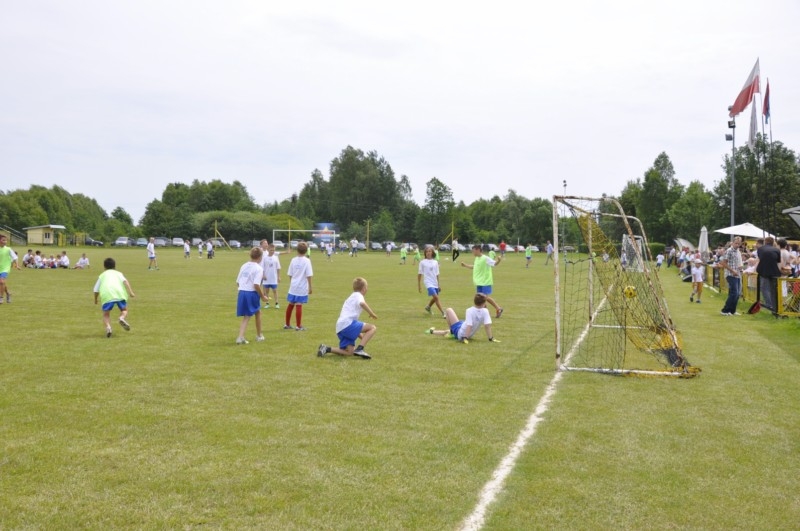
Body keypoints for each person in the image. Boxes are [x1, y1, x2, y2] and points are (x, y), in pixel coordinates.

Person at [317, 277, 377, 359]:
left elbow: (353, 328)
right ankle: (360, 349)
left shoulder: (351, 297)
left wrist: (363, 337)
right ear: (363, 289)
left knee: (350, 352)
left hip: (340, 328)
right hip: (347, 324)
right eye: (367, 287)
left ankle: (326, 348)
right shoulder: (358, 295)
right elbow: (362, 303)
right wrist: (371, 313)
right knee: (372, 328)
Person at [424, 293, 499, 344]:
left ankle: (445, 332)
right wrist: (491, 338)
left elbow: (469, 325)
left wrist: (465, 338)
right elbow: (487, 326)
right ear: (483, 303)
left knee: (449, 310)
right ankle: (433, 331)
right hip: (464, 329)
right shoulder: (485, 311)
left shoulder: (469, 310)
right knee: (449, 329)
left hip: (461, 333)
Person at [93, 257, 135, 337]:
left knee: (106, 314)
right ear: (114, 266)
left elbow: (95, 290)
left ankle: (108, 327)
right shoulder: (119, 273)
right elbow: (125, 281)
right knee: (124, 310)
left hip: (107, 295)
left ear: (104, 266)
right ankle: (122, 318)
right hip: (119, 293)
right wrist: (131, 292)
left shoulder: (102, 275)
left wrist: (95, 299)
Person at [235, 247, 269, 345]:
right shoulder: (259, 268)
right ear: (260, 257)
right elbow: (256, 285)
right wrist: (263, 296)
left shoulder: (244, 265)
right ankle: (247, 337)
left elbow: (238, 281)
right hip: (251, 293)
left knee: (255, 313)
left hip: (242, 292)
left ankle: (255, 335)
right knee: (249, 315)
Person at [461, 244, 504, 318]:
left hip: (485, 282)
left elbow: (494, 264)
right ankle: (485, 313)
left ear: (478, 250)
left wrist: (499, 260)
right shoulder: (477, 258)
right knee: (480, 298)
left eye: (473, 251)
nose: (472, 252)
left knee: (484, 297)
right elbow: (474, 267)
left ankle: (498, 308)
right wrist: (465, 265)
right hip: (479, 282)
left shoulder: (485, 258)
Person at [284, 241, 313, 330]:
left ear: (297, 250)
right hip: (301, 287)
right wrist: (310, 286)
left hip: (293, 286)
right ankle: (298, 326)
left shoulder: (293, 260)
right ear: (306, 251)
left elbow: (290, 274)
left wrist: (292, 282)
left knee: (291, 304)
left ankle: (287, 324)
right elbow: (309, 275)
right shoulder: (307, 261)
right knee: (299, 304)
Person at [755, 236, 781, 313]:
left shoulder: (760, 249)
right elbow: (778, 261)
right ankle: (775, 306)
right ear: (773, 242)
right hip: (774, 271)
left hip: (764, 271)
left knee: (764, 288)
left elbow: (761, 258)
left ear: (765, 242)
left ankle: (769, 304)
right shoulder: (777, 250)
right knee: (774, 290)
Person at [719, 237, 744, 316]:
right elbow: (724, 263)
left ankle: (732, 310)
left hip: (737, 274)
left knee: (737, 294)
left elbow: (738, 263)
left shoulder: (738, 251)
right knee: (734, 293)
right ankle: (725, 310)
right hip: (730, 274)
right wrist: (732, 271)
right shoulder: (729, 251)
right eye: (736, 243)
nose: (737, 245)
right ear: (732, 243)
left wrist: (740, 268)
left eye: (738, 243)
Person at [419, 246, 444, 317]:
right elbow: (419, 274)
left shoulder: (435, 262)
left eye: (430, 251)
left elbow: (437, 274)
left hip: (434, 282)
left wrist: (438, 284)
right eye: (427, 251)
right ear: (425, 253)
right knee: (436, 297)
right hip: (428, 282)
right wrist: (419, 286)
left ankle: (428, 307)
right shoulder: (422, 262)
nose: (428, 253)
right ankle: (443, 313)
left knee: (435, 297)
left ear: (432, 252)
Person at [260, 242, 281, 309]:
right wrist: (263, 275)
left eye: (273, 250)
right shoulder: (264, 258)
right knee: (266, 291)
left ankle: (276, 303)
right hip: (266, 278)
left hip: (273, 277)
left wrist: (278, 276)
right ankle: (267, 303)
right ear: (268, 250)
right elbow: (262, 268)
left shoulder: (276, 258)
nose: (272, 251)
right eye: (271, 250)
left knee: (275, 291)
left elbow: (278, 268)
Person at [0, 234, 20, 304]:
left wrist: (17, 265)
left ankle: (1, 298)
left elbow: (15, 257)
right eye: (3, 240)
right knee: (2, 283)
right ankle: (8, 293)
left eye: (6, 240)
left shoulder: (8, 249)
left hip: (5, 268)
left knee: (1, 282)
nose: (5, 242)